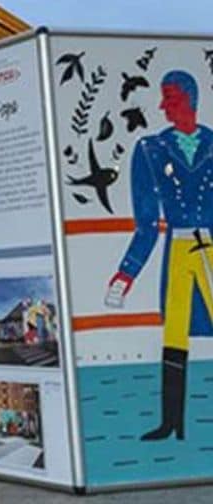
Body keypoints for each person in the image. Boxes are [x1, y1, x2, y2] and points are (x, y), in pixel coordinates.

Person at [106, 69, 213, 441]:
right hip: (179, 249)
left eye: (170, 97)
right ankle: (171, 422)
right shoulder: (151, 149)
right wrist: (125, 274)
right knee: (174, 335)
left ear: (190, 98)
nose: (162, 105)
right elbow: (147, 223)